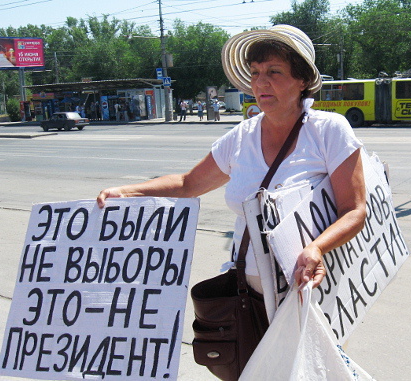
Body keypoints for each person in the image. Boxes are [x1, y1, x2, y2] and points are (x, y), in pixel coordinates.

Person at [97, 23, 365, 353]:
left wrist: (317, 248)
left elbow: (354, 210)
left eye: (274, 72)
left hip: (310, 290)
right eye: (255, 72)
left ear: (303, 80)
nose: (260, 82)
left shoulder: (328, 130)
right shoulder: (241, 137)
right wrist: (127, 192)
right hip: (248, 296)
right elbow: (188, 183)